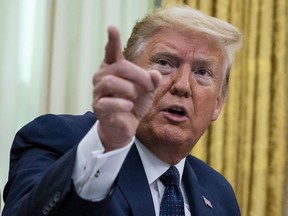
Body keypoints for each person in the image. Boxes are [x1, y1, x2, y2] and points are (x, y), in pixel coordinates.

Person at [2, 5, 242, 216]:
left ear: (218, 104)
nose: (182, 85)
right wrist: (107, 144)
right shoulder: (58, 140)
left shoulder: (219, 193)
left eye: (202, 72)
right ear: (126, 75)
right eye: (165, 63)